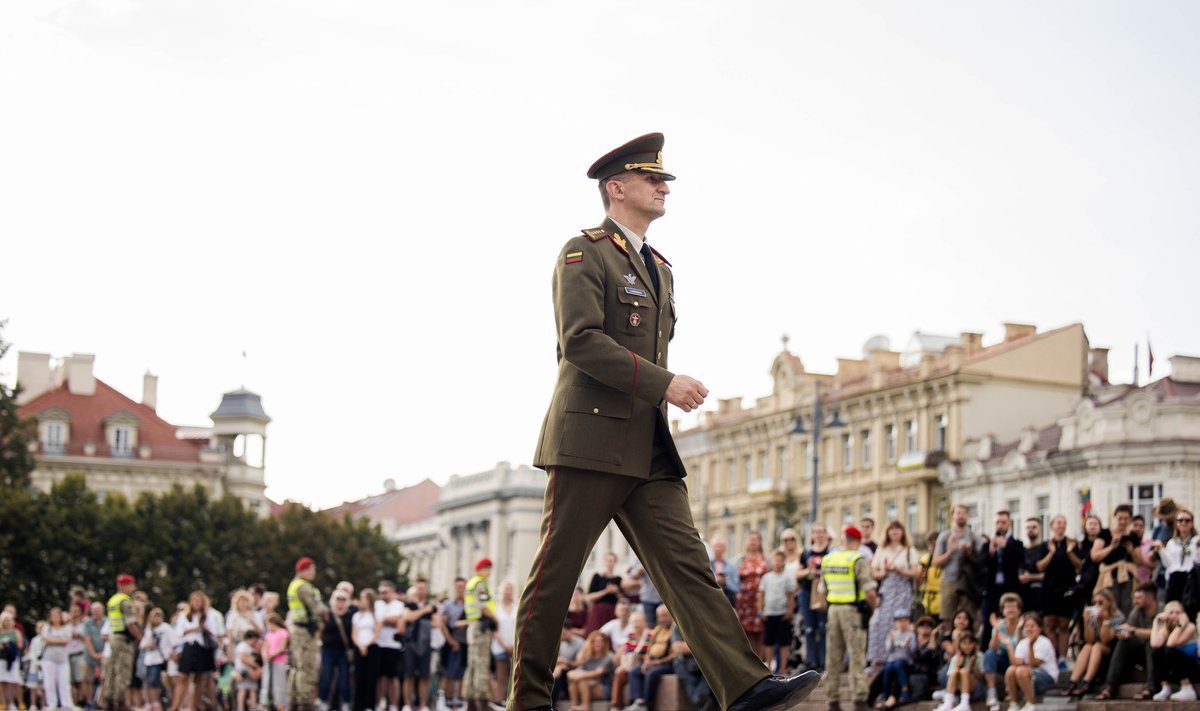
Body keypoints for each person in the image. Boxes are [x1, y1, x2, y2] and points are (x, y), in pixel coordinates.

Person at [508, 132, 818, 711]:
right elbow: (580, 342)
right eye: (652, 179)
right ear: (616, 188)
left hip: (646, 445)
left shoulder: (660, 269)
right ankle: (527, 701)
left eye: (664, 179)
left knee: (688, 566)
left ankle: (744, 685)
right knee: (555, 575)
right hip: (590, 439)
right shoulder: (584, 252)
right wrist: (664, 384)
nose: (663, 186)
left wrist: (660, 394)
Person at [823, 525, 880, 711]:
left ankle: (832, 700)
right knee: (856, 656)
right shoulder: (856, 558)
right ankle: (860, 700)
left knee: (833, 658)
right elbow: (869, 591)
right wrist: (874, 608)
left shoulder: (828, 559)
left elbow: (822, 591)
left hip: (833, 611)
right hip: (853, 612)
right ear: (857, 541)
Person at [868, 522, 920, 666]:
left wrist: (898, 569)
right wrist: (885, 571)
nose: (895, 532)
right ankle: (879, 657)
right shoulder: (882, 549)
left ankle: (899, 656)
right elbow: (874, 572)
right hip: (887, 589)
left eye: (898, 529)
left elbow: (915, 572)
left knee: (900, 622)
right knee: (877, 623)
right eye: (892, 530)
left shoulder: (909, 550)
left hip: (902, 590)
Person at [1096, 582, 1158, 701]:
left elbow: (1158, 634)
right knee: (1124, 643)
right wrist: (1121, 633)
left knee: (1151, 643)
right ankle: (1109, 686)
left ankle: (1151, 687)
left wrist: (1133, 630)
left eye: (1139, 598)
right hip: (1140, 653)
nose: (1135, 601)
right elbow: (1127, 631)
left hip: (1159, 653)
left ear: (1150, 597)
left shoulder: (1162, 610)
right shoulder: (1136, 612)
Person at [1033, 514, 1078, 660]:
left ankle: (1063, 658)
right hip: (1049, 588)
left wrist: (1070, 552)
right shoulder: (1045, 545)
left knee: (1064, 624)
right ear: (1052, 526)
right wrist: (1051, 553)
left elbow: (1079, 565)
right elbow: (1039, 566)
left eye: (1063, 523)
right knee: (1050, 624)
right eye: (1058, 523)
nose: (1060, 526)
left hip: (1067, 587)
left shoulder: (1072, 544)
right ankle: (1052, 656)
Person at [286, 557, 327, 711]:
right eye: (312, 569)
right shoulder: (304, 587)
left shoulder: (294, 585)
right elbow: (318, 609)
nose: (314, 572)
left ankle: (293, 702)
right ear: (304, 570)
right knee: (306, 668)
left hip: (297, 630)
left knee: (297, 668)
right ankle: (304, 703)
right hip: (305, 631)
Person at [979, 511, 1024, 649]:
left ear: (1009, 523)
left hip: (1010, 589)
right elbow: (981, 564)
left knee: (1010, 620)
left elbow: (1019, 559)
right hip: (992, 589)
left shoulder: (1016, 543)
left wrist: (1006, 546)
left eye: (1003, 522)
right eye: (998, 522)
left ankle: (1013, 650)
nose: (1000, 525)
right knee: (988, 622)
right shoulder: (988, 545)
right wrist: (991, 553)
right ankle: (985, 653)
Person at [1065, 589, 1122, 697]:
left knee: (1097, 646)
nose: (1097, 606)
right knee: (1088, 646)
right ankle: (1072, 682)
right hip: (1094, 654)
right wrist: (1087, 621)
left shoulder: (1117, 617)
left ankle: (1087, 682)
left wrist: (1105, 620)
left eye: (1101, 603)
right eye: (1095, 603)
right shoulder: (1094, 617)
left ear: (1109, 602)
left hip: (1112, 654)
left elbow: (1106, 640)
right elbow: (1089, 639)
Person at [1090, 504, 1146, 613]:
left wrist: (1132, 551)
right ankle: (1110, 629)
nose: (1123, 521)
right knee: (1109, 608)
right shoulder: (1105, 533)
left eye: (1126, 519)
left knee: (1126, 608)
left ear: (1130, 520)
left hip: (1127, 578)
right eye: (1120, 518)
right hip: (1109, 578)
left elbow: (1140, 561)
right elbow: (1094, 556)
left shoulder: (1133, 536)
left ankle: (1123, 629)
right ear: (1115, 517)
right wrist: (1111, 547)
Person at [620, 606, 675, 711]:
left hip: (667, 663)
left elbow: (675, 655)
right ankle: (638, 702)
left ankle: (646, 704)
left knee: (651, 673)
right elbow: (648, 650)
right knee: (634, 672)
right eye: (660, 616)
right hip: (654, 661)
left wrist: (657, 662)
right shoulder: (657, 630)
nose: (663, 619)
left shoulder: (674, 630)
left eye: (665, 616)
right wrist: (647, 661)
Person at [173, 591, 218, 711]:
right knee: (183, 677)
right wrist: (195, 629)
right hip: (188, 647)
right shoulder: (185, 615)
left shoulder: (208, 615)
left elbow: (214, 633)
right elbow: (179, 633)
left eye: (200, 601)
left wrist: (203, 628)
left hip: (202, 648)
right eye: (195, 601)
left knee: (200, 678)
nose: (197, 603)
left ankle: (195, 706)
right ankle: (176, 706)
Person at [934, 505, 979, 626]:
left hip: (968, 582)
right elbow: (936, 562)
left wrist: (969, 553)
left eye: (964, 513)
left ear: (967, 516)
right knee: (947, 617)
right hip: (949, 580)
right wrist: (950, 552)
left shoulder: (974, 537)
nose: (961, 516)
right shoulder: (944, 536)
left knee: (970, 617)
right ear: (952, 516)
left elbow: (980, 563)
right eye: (958, 513)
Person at [103, 574, 142, 711]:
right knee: (123, 670)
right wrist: (139, 637)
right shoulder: (125, 601)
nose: (133, 587)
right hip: (124, 640)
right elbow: (131, 623)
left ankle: (108, 700)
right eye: (131, 584)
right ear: (124, 585)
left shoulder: (113, 600)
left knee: (112, 670)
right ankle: (119, 701)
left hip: (114, 638)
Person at [1003, 614, 1057, 711]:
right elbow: (1015, 663)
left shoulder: (1044, 642)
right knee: (1011, 670)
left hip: (1047, 677)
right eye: (1026, 626)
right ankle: (1014, 703)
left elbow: (1034, 664)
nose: (1029, 629)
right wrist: (1009, 645)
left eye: (1032, 626)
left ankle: (1031, 704)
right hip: (1026, 676)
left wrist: (1031, 646)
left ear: (1040, 628)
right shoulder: (1022, 643)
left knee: (1021, 671)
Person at [464, 559, 498, 711]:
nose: (489, 571)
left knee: (472, 663)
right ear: (479, 569)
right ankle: (481, 700)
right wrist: (495, 619)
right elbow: (484, 606)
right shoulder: (480, 583)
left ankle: (470, 699)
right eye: (486, 568)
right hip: (481, 626)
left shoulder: (471, 583)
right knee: (481, 663)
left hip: (473, 625)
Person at [1150, 600, 1199, 701]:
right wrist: (1156, 622)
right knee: (1156, 652)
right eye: (1171, 612)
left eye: (1178, 612)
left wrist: (1181, 625)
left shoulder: (1190, 626)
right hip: (1175, 672)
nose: (1174, 615)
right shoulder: (1166, 629)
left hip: (1194, 670)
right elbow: (1155, 644)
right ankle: (1165, 688)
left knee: (1169, 651)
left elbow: (1171, 643)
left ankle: (1187, 688)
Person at [798, 524, 831, 672]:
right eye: (815, 532)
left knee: (823, 627)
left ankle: (824, 661)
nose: (818, 535)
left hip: (824, 592)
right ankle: (810, 661)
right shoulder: (806, 553)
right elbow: (797, 574)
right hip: (807, 591)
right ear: (811, 535)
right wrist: (809, 571)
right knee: (810, 628)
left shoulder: (831, 552)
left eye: (821, 532)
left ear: (826, 534)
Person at [1155, 508, 1200, 616]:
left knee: (1189, 613)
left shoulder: (1195, 541)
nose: (1183, 523)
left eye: (1187, 520)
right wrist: (1161, 550)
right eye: (1180, 520)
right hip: (1174, 579)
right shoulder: (1172, 543)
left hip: (1190, 579)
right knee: (1172, 611)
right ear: (1176, 523)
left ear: (1191, 523)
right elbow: (1168, 564)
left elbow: (1197, 561)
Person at [758, 549, 797, 673]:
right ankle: (769, 667)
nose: (777, 563)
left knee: (783, 642)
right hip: (769, 613)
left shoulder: (787, 578)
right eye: (775, 560)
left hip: (782, 614)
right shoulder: (766, 578)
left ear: (783, 562)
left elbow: (790, 596)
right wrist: (761, 611)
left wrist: (790, 611)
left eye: (780, 560)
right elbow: (761, 595)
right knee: (769, 641)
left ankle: (782, 668)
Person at [982, 593, 1022, 711]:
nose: (1010, 610)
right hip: (1004, 659)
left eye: (1013, 607)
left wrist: (1019, 630)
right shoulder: (1000, 625)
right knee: (989, 654)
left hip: (1019, 659)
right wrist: (997, 629)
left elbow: (1021, 649)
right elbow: (992, 648)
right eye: (1007, 607)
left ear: (1019, 610)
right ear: (1003, 610)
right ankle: (991, 692)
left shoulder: (1024, 624)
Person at [401, 579, 436, 711]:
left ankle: (423, 705)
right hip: (411, 643)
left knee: (424, 676)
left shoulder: (431, 605)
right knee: (409, 675)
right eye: (418, 588)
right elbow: (407, 617)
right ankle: (407, 705)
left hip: (426, 644)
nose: (421, 591)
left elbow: (436, 623)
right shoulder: (409, 604)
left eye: (423, 588)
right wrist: (423, 611)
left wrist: (418, 615)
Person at [735, 532, 769, 660]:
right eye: (750, 540)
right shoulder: (740, 559)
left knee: (760, 631)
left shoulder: (766, 559)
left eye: (755, 540)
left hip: (760, 601)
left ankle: (761, 660)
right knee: (746, 632)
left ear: (760, 542)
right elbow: (734, 579)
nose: (753, 542)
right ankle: (750, 661)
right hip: (744, 602)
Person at [319, 590, 354, 711]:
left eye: (343, 599)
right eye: (338, 599)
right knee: (326, 676)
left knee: (344, 678)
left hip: (343, 651)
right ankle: (323, 701)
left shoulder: (350, 615)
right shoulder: (327, 614)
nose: (340, 602)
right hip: (328, 649)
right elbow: (320, 631)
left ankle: (344, 702)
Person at [609, 610, 650, 711]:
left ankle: (632, 704)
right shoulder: (631, 635)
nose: (635, 624)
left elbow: (649, 653)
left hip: (643, 665)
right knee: (619, 674)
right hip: (630, 665)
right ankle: (615, 705)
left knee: (630, 673)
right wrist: (623, 666)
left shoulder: (649, 635)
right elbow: (625, 653)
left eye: (638, 621)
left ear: (644, 622)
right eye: (633, 622)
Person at [139, 607, 177, 711]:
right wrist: (148, 645)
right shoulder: (149, 629)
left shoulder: (166, 628)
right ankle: (152, 703)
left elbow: (175, 642)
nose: (157, 619)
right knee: (149, 682)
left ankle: (162, 703)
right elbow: (141, 645)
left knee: (161, 683)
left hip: (162, 660)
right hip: (149, 660)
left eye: (159, 616)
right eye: (155, 616)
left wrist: (172, 654)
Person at [376, 581, 406, 711]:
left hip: (393, 645)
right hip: (378, 644)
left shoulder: (398, 605)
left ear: (392, 592)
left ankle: (393, 705)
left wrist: (383, 620)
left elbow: (397, 620)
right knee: (380, 677)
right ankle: (380, 703)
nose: (383, 595)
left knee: (393, 677)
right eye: (381, 592)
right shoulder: (377, 604)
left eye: (386, 592)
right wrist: (387, 620)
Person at [877, 611, 916, 710]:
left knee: (898, 665)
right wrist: (891, 640)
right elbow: (889, 650)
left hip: (906, 661)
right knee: (888, 668)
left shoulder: (911, 635)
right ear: (895, 622)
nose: (902, 623)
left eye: (905, 621)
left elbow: (913, 652)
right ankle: (885, 693)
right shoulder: (892, 634)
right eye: (900, 621)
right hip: (892, 660)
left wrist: (907, 645)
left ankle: (905, 690)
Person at [566, 632, 613, 711]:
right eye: (594, 641)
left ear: (605, 643)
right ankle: (574, 706)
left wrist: (581, 676)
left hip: (603, 688)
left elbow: (598, 673)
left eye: (600, 641)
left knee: (582, 680)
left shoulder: (608, 657)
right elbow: (573, 671)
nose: (597, 644)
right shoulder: (589, 657)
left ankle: (586, 706)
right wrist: (586, 645)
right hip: (589, 687)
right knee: (574, 682)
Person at [491, 581, 519, 708]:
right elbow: (493, 629)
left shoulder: (516, 606)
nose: (508, 591)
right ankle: (498, 699)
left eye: (510, 589)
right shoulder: (496, 607)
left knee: (513, 674)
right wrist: (504, 645)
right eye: (506, 589)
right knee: (501, 673)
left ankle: (512, 699)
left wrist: (513, 644)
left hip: (514, 645)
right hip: (500, 644)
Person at [352, 589, 381, 711]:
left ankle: (370, 705)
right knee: (359, 677)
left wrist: (367, 645)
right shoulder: (357, 616)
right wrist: (360, 645)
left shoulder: (375, 615)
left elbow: (376, 632)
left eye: (363, 598)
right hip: (359, 647)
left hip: (372, 647)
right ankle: (358, 704)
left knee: (371, 677)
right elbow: (354, 634)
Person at [41, 608, 74, 711]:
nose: (56, 618)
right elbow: (46, 640)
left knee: (64, 683)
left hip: (62, 659)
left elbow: (67, 640)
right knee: (49, 683)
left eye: (57, 616)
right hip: (48, 659)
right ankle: (52, 704)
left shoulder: (67, 628)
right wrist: (60, 640)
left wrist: (53, 640)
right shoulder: (46, 627)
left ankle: (66, 704)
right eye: (53, 616)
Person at [584, 553, 624, 635]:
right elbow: (589, 597)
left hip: (613, 611)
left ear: (615, 562)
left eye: (611, 561)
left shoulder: (619, 579)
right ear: (604, 562)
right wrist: (606, 591)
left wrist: (616, 592)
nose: (609, 563)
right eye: (607, 561)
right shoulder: (597, 577)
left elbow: (623, 599)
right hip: (598, 611)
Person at [1017, 519, 1046, 617]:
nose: (1030, 530)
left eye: (1034, 527)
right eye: (1028, 527)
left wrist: (1031, 577)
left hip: (1040, 595)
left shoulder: (1045, 549)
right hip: (1023, 595)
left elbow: (1050, 574)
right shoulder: (1021, 550)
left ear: (1040, 529)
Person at [234, 629, 265, 711]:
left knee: (252, 688)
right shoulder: (243, 646)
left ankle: (253, 707)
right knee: (243, 689)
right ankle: (241, 707)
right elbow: (244, 659)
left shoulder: (248, 647)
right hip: (243, 670)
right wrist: (256, 666)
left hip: (250, 670)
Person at [82, 602, 105, 708]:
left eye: (98, 610)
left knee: (104, 679)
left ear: (102, 611)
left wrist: (103, 653)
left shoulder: (107, 621)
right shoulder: (88, 623)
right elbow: (87, 639)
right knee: (88, 679)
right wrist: (93, 654)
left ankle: (101, 701)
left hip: (104, 655)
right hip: (89, 655)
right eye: (94, 610)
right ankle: (89, 701)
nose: (96, 612)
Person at [0, 612, 23, 711]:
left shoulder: (16, 632)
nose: (7, 622)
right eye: (5, 620)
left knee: (12, 682)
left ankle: (14, 703)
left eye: (9, 620)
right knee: (2, 682)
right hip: (2, 659)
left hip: (13, 660)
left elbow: (20, 645)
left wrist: (10, 646)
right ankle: (3, 703)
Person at [917, 531, 942, 622]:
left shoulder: (945, 558)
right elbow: (919, 580)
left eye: (934, 542)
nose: (932, 545)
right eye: (930, 542)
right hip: (929, 601)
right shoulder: (925, 559)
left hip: (942, 600)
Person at [709, 537, 740, 608]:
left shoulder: (732, 567)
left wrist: (726, 582)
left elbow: (736, 587)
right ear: (711, 547)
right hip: (710, 601)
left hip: (727, 603)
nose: (718, 548)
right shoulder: (706, 564)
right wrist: (714, 580)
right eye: (716, 546)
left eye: (721, 546)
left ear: (725, 549)